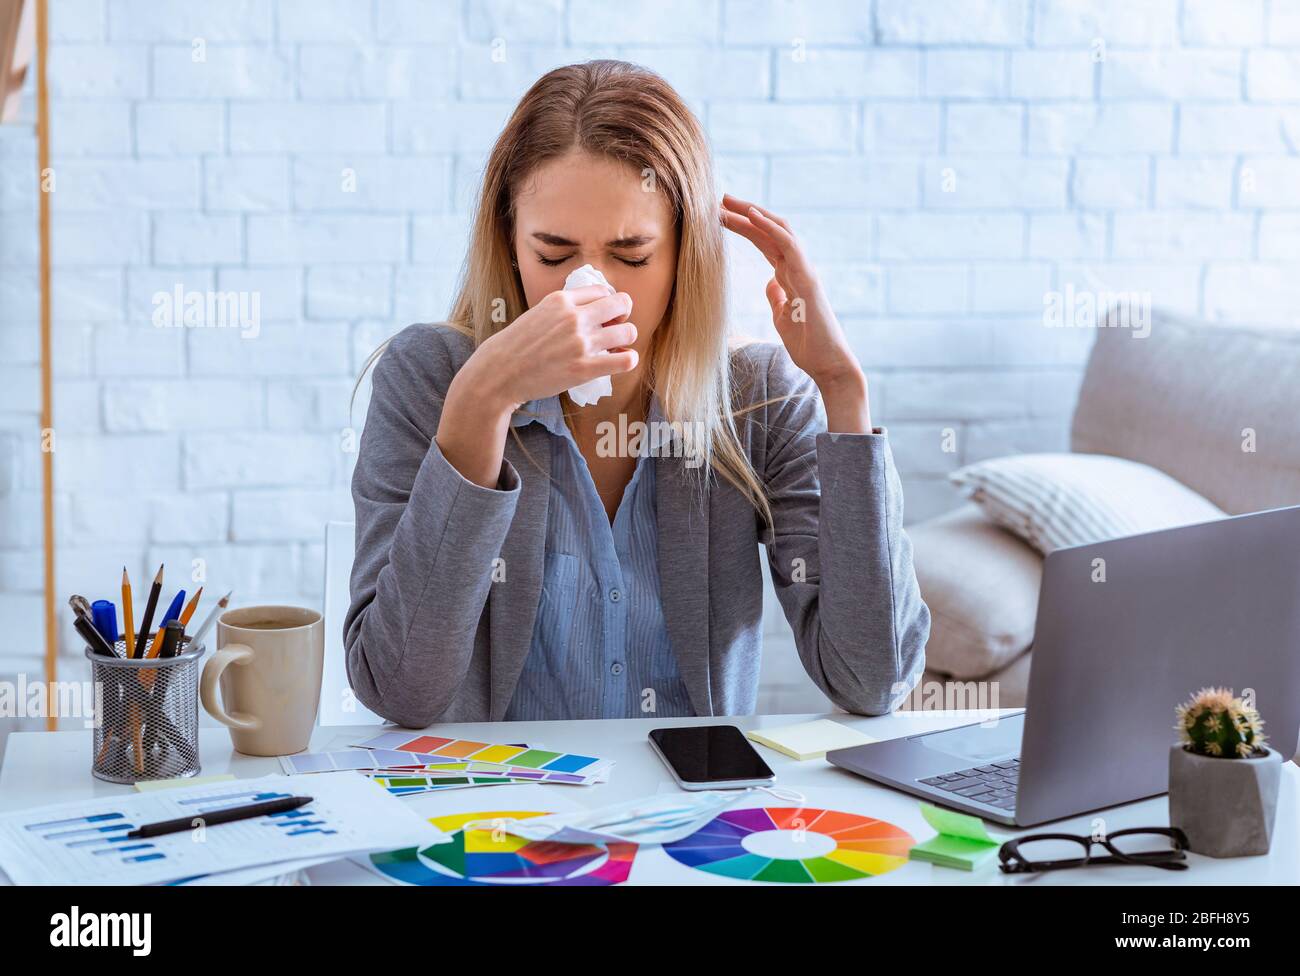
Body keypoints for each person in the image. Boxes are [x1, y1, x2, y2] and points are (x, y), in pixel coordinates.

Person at [345, 60, 929, 727]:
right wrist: (480, 403)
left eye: (631, 255)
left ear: (686, 253)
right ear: (508, 243)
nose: (590, 288)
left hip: (691, 815)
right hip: (499, 814)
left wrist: (841, 391)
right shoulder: (432, 378)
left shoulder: (755, 397)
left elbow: (870, 678)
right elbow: (398, 691)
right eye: (553, 253)